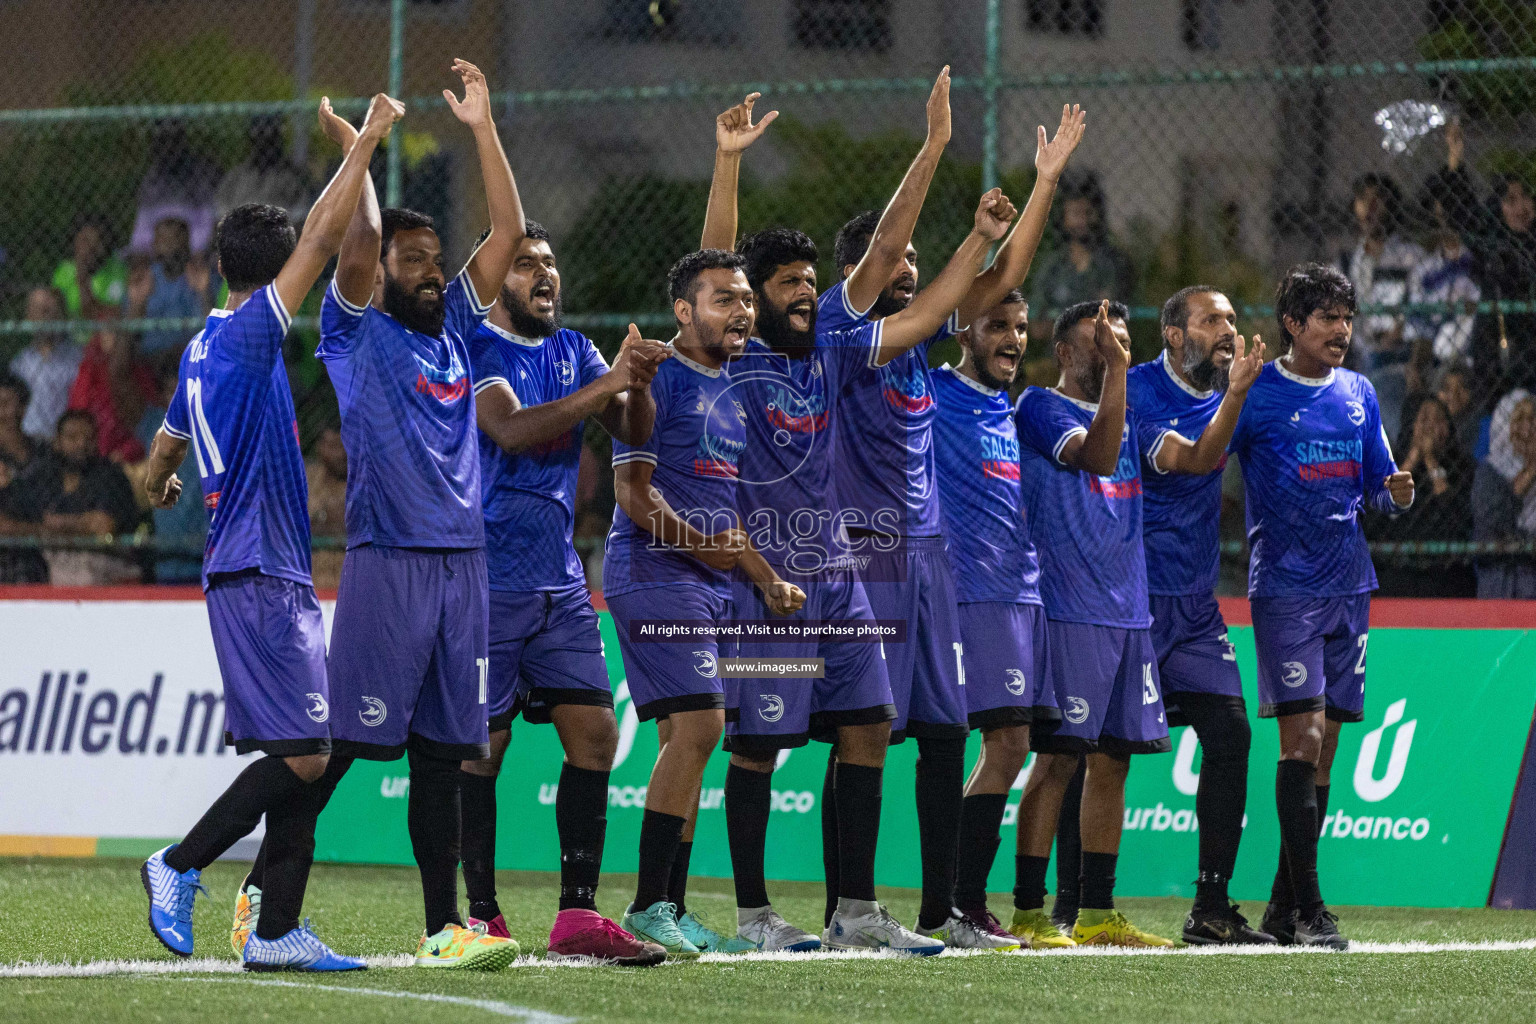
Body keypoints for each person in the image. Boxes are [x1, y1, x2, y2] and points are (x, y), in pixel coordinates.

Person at [811, 84, 1083, 949]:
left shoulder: (923, 349)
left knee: (938, 735)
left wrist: (1039, 187)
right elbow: (903, 253)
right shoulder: (840, 331)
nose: (914, 270)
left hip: (932, 563)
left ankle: (941, 913)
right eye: (900, 264)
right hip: (868, 558)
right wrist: (933, 147)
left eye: (921, 265)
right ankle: (847, 906)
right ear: (864, 274)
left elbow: (998, 282)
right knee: (860, 733)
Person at [134, 92, 401, 972]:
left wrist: (166, 475)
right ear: (276, 268)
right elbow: (327, 238)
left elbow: (155, 463)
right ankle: (176, 865)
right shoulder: (250, 332)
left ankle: (278, 927)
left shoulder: (199, 346)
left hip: (252, 566)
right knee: (302, 756)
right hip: (258, 569)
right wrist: (362, 143)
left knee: (311, 757)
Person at [307, 59, 526, 971]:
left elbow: (508, 235)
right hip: (390, 561)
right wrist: (363, 148)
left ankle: (442, 927)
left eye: (438, 262)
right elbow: (353, 251)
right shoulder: (359, 332)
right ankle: (262, 891)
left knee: (442, 755)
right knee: (342, 749)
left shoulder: (459, 334)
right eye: (416, 262)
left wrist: (480, 127)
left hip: (462, 566)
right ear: (386, 272)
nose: (433, 275)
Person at [460, 218, 670, 966]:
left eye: (549, 262)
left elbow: (629, 429)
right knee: (484, 747)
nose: (543, 275)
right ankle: (481, 915)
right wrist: (608, 382)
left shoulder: (576, 349)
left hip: (559, 581)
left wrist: (634, 383)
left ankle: (577, 918)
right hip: (486, 578)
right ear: (496, 282)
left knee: (596, 736)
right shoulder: (478, 347)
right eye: (523, 265)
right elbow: (510, 431)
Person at [603, 248, 805, 957]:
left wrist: (764, 574)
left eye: (747, 299)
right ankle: (646, 902)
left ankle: (673, 907)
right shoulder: (652, 382)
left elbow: (722, 509)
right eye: (725, 299)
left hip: (704, 577)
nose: (743, 311)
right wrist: (702, 547)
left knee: (684, 741)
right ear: (684, 312)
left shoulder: (730, 389)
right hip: (653, 571)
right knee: (700, 728)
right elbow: (632, 497)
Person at [1229, 263, 1414, 949]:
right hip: (1284, 588)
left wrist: (1396, 494)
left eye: (1348, 317)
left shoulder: (1360, 392)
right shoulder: (1258, 393)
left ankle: (1283, 908)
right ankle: (1312, 911)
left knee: (1327, 752)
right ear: (1293, 324)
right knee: (1301, 740)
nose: (1342, 330)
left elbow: (1378, 487)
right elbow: (1212, 456)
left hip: (1349, 585)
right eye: (1328, 317)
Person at [1011, 301, 1176, 950]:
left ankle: (1097, 913)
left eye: (1121, 342)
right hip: (1070, 608)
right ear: (1064, 354)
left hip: (1129, 610)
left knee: (1113, 763)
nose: (1113, 351)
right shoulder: (1038, 407)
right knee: (1056, 761)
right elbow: (1098, 460)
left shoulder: (1126, 415)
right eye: (1097, 343)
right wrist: (1118, 376)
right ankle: (1028, 910)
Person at [1126, 285, 1273, 944]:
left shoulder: (1229, 391)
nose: (1226, 329)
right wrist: (1237, 396)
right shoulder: (1136, 393)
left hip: (1193, 607)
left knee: (1232, 737)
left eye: (1232, 319)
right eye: (1212, 318)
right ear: (1173, 334)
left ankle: (1210, 907)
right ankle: (1068, 904)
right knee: (1096, 754)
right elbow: (1197, 458)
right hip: (1129, 601)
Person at [930, 291, 1065, 946]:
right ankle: (955, 902)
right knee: (1000, 744)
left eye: (1019, 325)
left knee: (1008, 747)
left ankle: (961, 903)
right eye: (997, 326)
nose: (1013, 338)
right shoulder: (931, 393)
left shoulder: (1009, 409)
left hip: (1021, 592)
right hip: (968, 592)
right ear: (960, 330)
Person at [5, 409, 140, 585]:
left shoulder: (110, 476)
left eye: (88, 439)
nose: (81, 444)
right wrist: (55, 528)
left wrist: (55, 524)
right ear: (57, 442)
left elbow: (103, 527)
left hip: (103, 562)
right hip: (50, 560)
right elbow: (7, 523)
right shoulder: (42, 477)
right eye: (72, 438)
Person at [1339, 173, 1426, 440]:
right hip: (1357, 360)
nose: (1371, 207)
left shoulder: (1410, 256)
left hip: (1397, 359)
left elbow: (1421, 311)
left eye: (1379, 200)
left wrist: (1404, 336)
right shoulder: (1348, 262)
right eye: (1363, 199)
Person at [1371, 394, 1475, 597]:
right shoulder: (1389, 461)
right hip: (1396, 571)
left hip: (1446, 573)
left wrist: (1430, 460)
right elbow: (1379, 515)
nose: (1431, 427)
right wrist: (1413, 457)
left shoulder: (1463, 467)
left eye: (1439, 420)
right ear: (1411, 425)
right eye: (1425, 420)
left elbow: (1456, 520)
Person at [1026, 170, 1133, 339]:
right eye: (1075, 214)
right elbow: (1037, 328)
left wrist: (1062, 321)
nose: (1083, 221)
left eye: (1089, 213)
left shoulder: (1113, 263)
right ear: (1063, 217)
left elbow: (1105, 323)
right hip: (1059, 357)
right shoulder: (1053, 267)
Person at [1472, 390, 1536, 599]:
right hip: (1499, 578)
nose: (1528, 428)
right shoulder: (1489, 472)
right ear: (1504, 424)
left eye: (1533, 418)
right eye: (1519, 419)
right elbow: (1497, 519)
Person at [127, 217, 216, 364]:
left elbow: (213, 334)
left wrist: (204, 292)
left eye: (176, 238)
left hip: (191, 358)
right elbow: (130, 335)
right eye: (163, 239)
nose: (170, 245)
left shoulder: (202, 277)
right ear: (154, 245)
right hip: (150, 359)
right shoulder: (143, 279)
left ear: (187, 244)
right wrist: (137, 304)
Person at [11, 287, 85, 441]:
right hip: (30, 440)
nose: (46, 316)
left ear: (62, 315)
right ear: (28, 317)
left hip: (68, 443)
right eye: (40, 310)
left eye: (51, 310)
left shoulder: (78, 358)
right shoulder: (20, 365)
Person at [216, 115, 312, 222]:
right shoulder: (238, 174)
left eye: (271, 138)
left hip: (275, 230)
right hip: (241, 230)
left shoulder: (289, 176)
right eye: (259, 136)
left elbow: (300, 208)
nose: (264, 143)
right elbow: (221, 204)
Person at [0, 373, 46, 583]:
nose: (5, 412)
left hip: (38, 558)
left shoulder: (44, 451)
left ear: (24, 407)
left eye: (10, 403)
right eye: (1, 404)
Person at [51, 215, 128, 321]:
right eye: (85, 241)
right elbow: (55, 308)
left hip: (103, 333)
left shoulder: (117, 270)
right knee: (39, 298)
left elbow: (112, 314)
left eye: (97, 241)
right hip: (70, 332)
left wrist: (83, 282)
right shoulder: (65, 269)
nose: (90, 248)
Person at [304, 425, 347, 591]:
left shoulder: (360, 481)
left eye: (344, 447)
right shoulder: (308, 478)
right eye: (335, 447)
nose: (341, 455)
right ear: (320, 447)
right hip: (312, 574)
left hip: (344, 575)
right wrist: (324, 518)